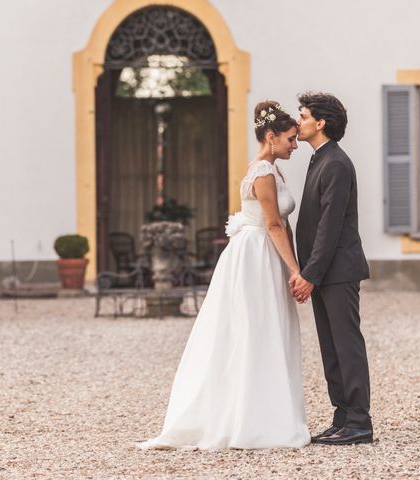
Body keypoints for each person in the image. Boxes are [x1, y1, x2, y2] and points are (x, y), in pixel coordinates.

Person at [138, 101, 310, 449]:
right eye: (291, 139)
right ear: (271, 137)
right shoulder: (262, 172)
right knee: (252, 329)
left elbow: (281, 224)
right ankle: (244, 418)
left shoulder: (274, 170)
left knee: (268, 329)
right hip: (256, 256)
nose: (295, 145)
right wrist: (297, 270)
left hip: (267, 254)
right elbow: (274, 225)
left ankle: (265, 410)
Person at [291, 92, 373, 445]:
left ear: (320, 122)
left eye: (303, 115)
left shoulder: (336, 163)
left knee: (346, 344)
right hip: (324, 271)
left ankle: (359, 422)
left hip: (337, 271)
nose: (298, 121)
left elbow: (330, 225)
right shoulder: (319, 160)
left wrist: (310, 274)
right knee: (330, 346)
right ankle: (342, 416)